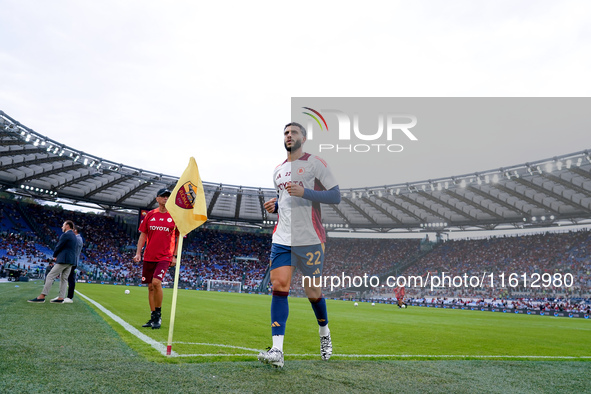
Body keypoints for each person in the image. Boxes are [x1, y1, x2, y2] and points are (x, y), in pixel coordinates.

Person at [257, 122, 341, 368]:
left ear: (304, 137)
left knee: (312, 293)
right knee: (279, 285)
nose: (289, 136)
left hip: (311, 239)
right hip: (282, 238)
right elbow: (285, 204)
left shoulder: (316, 164)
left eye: (293, 132)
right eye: (286, 133)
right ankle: (277, 350)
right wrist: (274, 207)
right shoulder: (278, 170)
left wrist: (306, 193)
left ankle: (324, 333)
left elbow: (336, 195)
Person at [133, 188, 179, 329]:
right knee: (150, 287)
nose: (166, 198)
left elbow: (179, 237)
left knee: (156, 282)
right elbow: (143, 235)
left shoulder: (175, 216)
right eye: (163, 196)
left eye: (168, 196)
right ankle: (152, 317)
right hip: (149, 256)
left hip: (165, 256)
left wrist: (175, 256)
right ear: (157, 199)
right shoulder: (149, 215)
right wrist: (138, 253)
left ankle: (158, 316)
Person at [28, 220, 77, 303]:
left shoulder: (66, 235)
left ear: (67, 226)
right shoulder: (74, 236)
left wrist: (54, 256)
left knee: (50, 276)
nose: (62, 227)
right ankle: (61, 298)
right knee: (64, 279)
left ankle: (42, 296)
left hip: (63, 260)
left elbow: (59, 246)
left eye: (63, 225)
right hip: (70, 261)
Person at [63, 226, 83, 303]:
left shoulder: (77, 239)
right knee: (68, 278)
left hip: (72, 261)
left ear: (76, 230)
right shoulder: (78, 238)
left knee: (70, 278)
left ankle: (69, 296)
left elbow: (73, 250)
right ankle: (66, 296)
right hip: (73, 261)